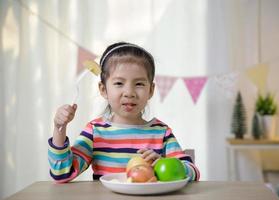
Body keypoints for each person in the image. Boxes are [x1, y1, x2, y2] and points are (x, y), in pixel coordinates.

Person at [48, 42, 200, 183]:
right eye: (119, 83)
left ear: (151, 90)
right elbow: (62, 173)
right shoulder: (95, 131)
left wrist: (163, 163)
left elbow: (193, 172)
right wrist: (59, 129)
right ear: (103, 89)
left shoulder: (162, 132)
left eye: (139, 84)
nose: (129, 92)